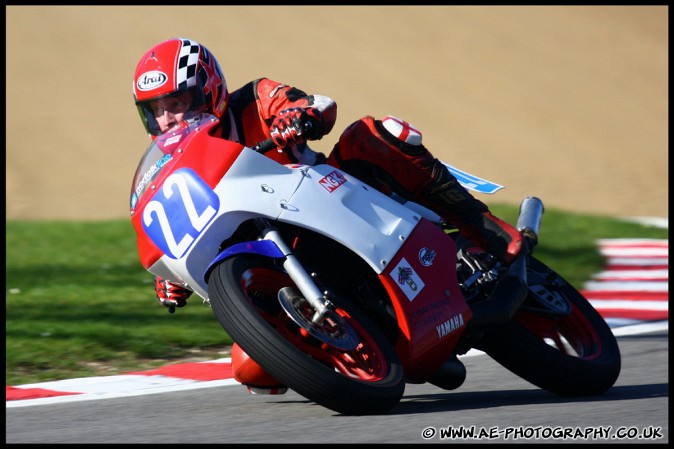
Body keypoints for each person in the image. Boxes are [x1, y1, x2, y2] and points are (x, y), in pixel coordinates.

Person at [133, 37, 524, 392]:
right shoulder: (172, 169)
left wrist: (298, 117)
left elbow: (317, 104)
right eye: (156, 111)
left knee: (376, 134)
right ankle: (355, 358)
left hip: (335, 203)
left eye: (177, 103)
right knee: (251, 370)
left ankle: (484, 228)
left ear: (209, 90)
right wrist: (175, 275)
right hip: (288, 266)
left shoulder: (254, 99)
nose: (168, 119)